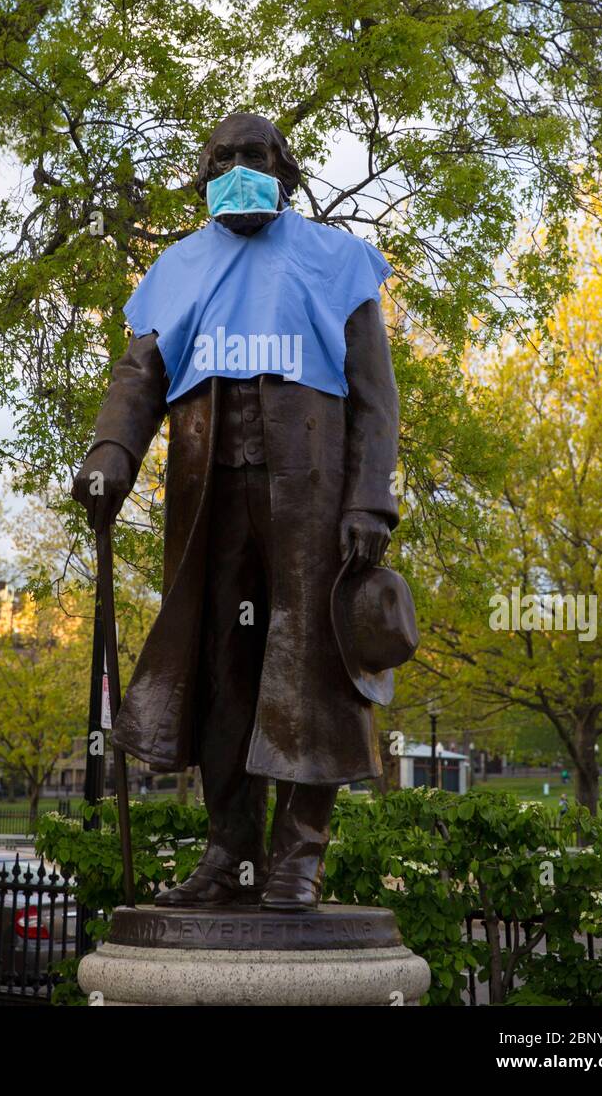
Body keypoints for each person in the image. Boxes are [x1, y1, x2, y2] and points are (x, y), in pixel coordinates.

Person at [72, 113, 401, 910]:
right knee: (219, 669)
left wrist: (369, 498)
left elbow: (375, 396)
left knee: (312, 666)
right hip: (206, 489)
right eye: (223, 157)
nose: (240, 167)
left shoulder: (336, 258)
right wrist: (110, 453)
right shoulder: (176, 267)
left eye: (256, 155)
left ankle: (298, 856)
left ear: (285, 172)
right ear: (204, 176)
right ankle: (230, 851)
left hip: (312, 492)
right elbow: (138, 376)